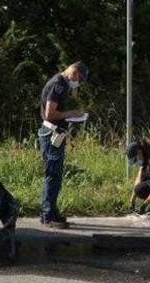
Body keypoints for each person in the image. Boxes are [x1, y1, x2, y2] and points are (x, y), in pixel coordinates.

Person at [38, 61, 89, 229]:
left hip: (56, 133)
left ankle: (50, 212)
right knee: (53, 175)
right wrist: (71, 114)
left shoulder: (63, 84)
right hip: (51, 133)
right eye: (79, 79)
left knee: (56, 175)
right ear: (73, 73)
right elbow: (50, 113)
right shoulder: (58, 84)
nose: (78, 83)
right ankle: (48, 215)